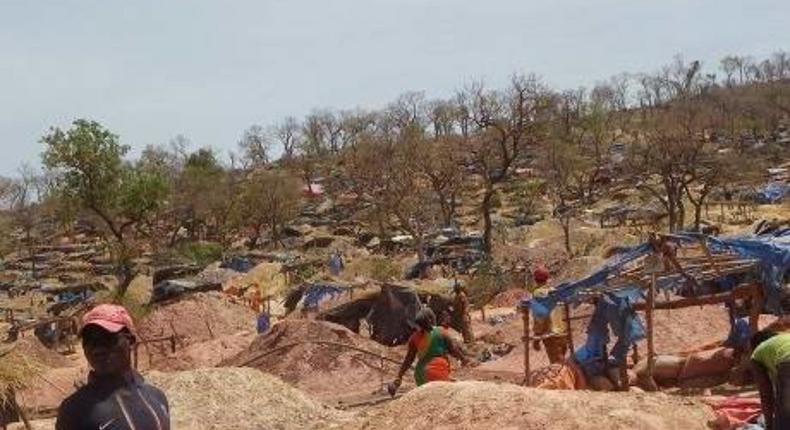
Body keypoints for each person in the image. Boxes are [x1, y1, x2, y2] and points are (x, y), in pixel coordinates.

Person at [56, 304, 170, 430]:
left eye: (107, 338)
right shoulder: (74, 411)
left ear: (131, 341)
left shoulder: (157, 398)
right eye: (89, 341)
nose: (98, 348)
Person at [391, 308, 470, 392]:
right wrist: (464, 359)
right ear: (432, 318)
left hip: (420, 375)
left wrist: (399, 375)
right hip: (437, 371)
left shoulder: (414, 338)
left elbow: (408, 359)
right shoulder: (441, 331)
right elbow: (453, 350)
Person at [751, 330, 790, 430]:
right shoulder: (784, 339)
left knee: (784, 417)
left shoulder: (757, 353)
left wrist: (770, 426)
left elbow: (766, 395)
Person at [529, 266, 568, 364]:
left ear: (535, 279)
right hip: (563, 332)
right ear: (547, 278)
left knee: (556, 365)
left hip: (550, 335)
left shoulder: (538, 293)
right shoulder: (555, 291)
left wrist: (536, 338)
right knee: (561, 362)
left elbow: (540, 316)